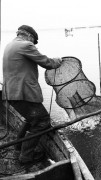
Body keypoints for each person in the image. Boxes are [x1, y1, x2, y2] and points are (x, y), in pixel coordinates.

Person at [2, 25, 62, 164]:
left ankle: (18, 147)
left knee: (32, 120)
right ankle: (26, 156)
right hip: (22, 93)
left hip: (10, 92)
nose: (33, 44)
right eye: (34, 41)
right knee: (42, 121)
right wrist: (57, 61)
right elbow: (46, 62)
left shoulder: (10, 45)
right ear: (29, 36)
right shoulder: (25, 45)